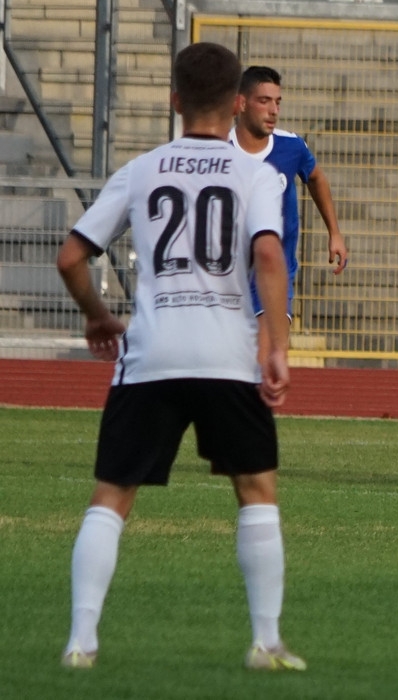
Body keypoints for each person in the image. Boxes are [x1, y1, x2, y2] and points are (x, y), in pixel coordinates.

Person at [56, 42, 304, 671]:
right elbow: (268, 255)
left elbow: (71, 256)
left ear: (175, 101)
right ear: (237, 104)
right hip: (228, 355)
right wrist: (276, 345)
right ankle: (266, 641)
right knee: (256, 490)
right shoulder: (257, 174)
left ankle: (82, 640)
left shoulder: (141, 171)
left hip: (152, 353)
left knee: (112, 496)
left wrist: (97, 316)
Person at [230, 65, 348, 364]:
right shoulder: (219, 150)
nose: (274, 111)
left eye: (278, 102)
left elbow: (316, 177)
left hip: (273, 273)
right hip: (227, 274)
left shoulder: (291, 146)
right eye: (264, 101)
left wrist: (334, 233)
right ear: (241, 103)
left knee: (268, 355)